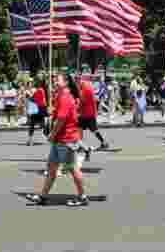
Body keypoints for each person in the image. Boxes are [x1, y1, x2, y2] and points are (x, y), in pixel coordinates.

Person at [25, 74, 89, 207]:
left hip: (66, 139)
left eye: (57, 80)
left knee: (72, 168)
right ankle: (43, 196)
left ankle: (82, 197)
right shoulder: (61, 96)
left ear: (65, 83)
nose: (54, 82)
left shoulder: (65, 97)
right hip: (60, 139)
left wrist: (52, 134)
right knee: (52, 168)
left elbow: (61, 120)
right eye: (54, 80)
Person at [77, 74, 111, 150]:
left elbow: (83, 101)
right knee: (81, 128)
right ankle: (81, 145)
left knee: (91, 129)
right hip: (87, 113)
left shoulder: (85, 88)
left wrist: (77, 106)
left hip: (87, 113)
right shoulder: (85, 86)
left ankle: (104, 143)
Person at [26, 79, 48, 146]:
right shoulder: (41, 90)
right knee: (42, 124)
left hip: (38, 109)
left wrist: (29, 97)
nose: (35, 83)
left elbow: (35, 99)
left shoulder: (39, 90)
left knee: (32, 125)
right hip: (40, 108)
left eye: (37, 82)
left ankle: (30, 140)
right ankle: (46, 137)